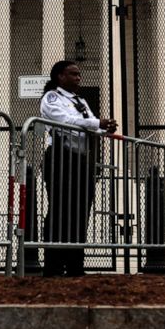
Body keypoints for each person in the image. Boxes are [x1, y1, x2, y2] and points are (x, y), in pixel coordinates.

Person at [39, 60, 117, 277]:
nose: (78, 78)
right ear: (60, 77)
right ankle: (53, 265)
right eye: (73, 74)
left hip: (81, 161)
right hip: (60, 158)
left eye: (79, 74)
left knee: (81, 212)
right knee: (60, 211)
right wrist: (96, 124)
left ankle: (75, 265)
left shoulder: (81, 101)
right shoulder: (52, 98)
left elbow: (89, 122)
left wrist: (105, 128)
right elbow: (64, 120)